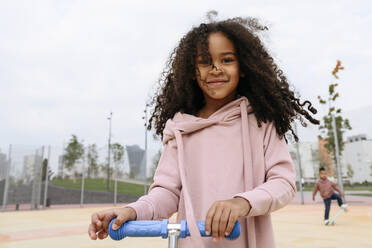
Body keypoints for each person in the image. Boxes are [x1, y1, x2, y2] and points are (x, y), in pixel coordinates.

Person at [88, 16, 319, 247]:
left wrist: (241, 203)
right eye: (205, 62)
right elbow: (166, 193)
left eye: (227, 59)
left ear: (244, 67)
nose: (216, 69)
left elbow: (283, 184)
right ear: (192, 71)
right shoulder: (180, 129)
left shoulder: (261, 122)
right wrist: (131, 211)